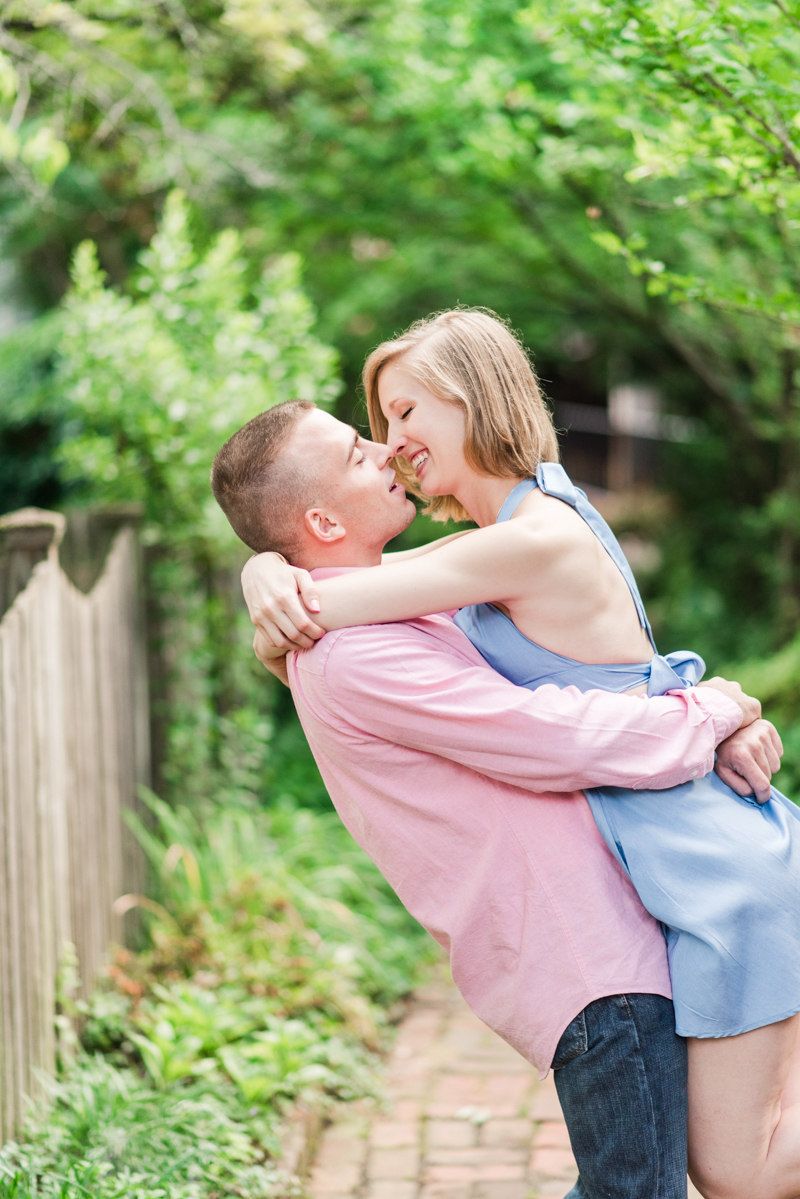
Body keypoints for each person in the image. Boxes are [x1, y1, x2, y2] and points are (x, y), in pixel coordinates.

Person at [237, 311, 800, 1199]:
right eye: (373, 432)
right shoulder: (480, 553)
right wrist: (266, 575)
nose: (390, 448)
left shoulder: (517, 540)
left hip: (702, 861)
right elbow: (368, 614)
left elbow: (548, 720)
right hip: (668, 872)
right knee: (741, 1162)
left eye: (404, 414)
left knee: (738, 1168)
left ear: (473, 403)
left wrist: (279, 586)